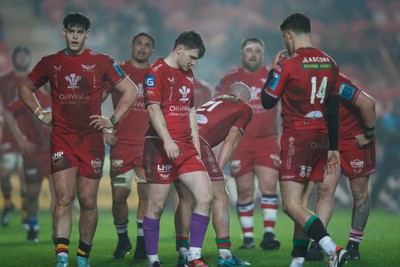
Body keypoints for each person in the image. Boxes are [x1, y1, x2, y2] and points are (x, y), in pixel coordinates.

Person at [17, 12, 138, 267]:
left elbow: (131, 90)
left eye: (79, 31)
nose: (74, 36)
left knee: (87, 201)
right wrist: (40, 113)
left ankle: (83, 256)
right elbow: (24, 88)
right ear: (63, 33)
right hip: (62, 138)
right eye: (70, 31)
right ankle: (61, 256)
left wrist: (112, 120)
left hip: (91, 141)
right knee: (63, 198)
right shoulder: (50, 62)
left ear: (86, 35)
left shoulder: (102, 61)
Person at [261, 13, 348, 267]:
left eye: (284, 38)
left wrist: (272, 69)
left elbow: (267, 101)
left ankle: (331, 248)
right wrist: (334, 147)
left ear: (289, 35)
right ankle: (297, 261)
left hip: (296, 138)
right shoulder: (330, 62)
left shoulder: (287, 63)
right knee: (302, 205)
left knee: (290, 205)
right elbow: (333, 109)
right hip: (321, 138)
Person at [143, 30, 213, 267]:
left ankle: (194, 256)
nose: (193, 63)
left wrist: (196, 145)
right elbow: (153, 108)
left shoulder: (188, 74)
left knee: (205, 196)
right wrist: (167, 141)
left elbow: (191, 109)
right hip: (160, 145)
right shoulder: (156, 72)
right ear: (179, 49)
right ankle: (153, 259)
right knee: (157, 205)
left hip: (185, 147)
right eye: (192, 57)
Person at [174, 82, 252, 267]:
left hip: (179, 140)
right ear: (247, 99)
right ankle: (225, 255)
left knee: (185, 198)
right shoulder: (244, 108)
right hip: (198, 143)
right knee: (221, 196)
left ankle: (183, 252)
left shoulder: (216, 101)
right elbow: (230, 141)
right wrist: (220, 170)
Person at [215, 37, 281, 250]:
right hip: (240, 141)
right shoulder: (231, 78)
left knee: (269, 185)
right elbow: (220, 106)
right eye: (249, 50)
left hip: (267, 139)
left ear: (262, 54)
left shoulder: (273, 75)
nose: (253, 54)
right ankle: (248, 238)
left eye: (257, 51)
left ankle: (269, 234)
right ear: (242, 54)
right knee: (244, 190)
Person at [306, 73, 376, 261]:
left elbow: (368, 103)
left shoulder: (335, 81)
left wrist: (368, 134)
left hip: (355, 142)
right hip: (331, 144)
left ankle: (354, 243)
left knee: (358, 192)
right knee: (324, 190)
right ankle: (317, 243)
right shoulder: (304, 83)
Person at [102, 32, 154, 260]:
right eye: (139, 44)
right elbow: (97, 99)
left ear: (152, 51)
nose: (142, 48)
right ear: (131, 46)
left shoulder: (156, 73)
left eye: (147, 45)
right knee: (119, 197)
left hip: (148, 146)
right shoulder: (118, 70)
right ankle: (123, 240)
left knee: (146, 195)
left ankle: (142, 245)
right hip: (121, 144)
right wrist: (106, 128)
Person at [4, 87, 54, 242]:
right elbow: (8, 112)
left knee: (59, 194)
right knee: (32, 193)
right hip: (34, 153)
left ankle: (57, 230)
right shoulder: (30, 94)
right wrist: (20, 139)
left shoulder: (64, 93)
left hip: (56, 151)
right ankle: (33, 226)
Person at [0, 46, 32, 227]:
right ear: (13, 59)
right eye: (19, 56)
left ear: (28, 58)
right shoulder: (4, 79)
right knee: (4, 174)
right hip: (9, 135)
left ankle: (26, 214)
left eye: (24, 56)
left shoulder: (35, 79)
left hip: (30, 135)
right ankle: (8, 203)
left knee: (24, 175)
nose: (22, 59)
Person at [370, 98, 400, 210]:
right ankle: (372, 202)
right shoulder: (386, 119)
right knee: (382, 178)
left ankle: (393, 202)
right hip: (391, 153)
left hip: (393, 151)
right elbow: (382, 134)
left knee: (383, 178)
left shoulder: (387, 119)